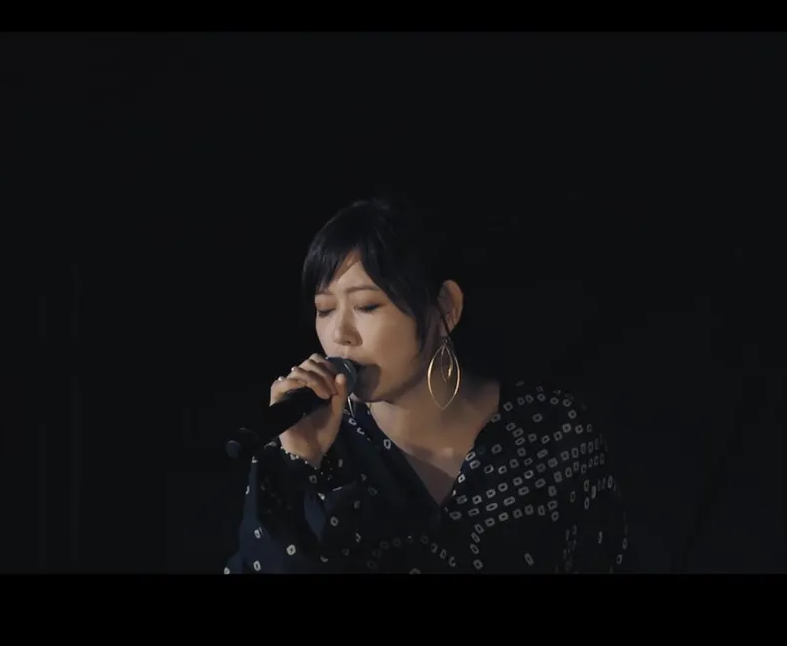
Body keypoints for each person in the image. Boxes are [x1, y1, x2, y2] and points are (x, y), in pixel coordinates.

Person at [223, 197, 630, 573]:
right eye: (325, 310)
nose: (340, 334)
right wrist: (294, 463)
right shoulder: (309, 449)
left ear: (445, 308)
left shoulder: (552, 431)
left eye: (366, 305)